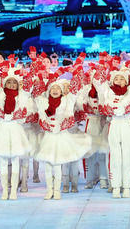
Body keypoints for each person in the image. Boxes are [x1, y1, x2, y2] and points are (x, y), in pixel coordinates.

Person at [92, 52, 130, 199]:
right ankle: (115, 186)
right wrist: (103, 64)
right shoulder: (107, 92)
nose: (119, 80)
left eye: (122, 78)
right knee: (114, 156)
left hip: (127, 124)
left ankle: (126, 186)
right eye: (116, 78)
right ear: (112, 80)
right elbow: (98, 81)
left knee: (128, 155)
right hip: (114, 124)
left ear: (126, 81)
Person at [33, 71, 92, 200]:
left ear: (62, 91)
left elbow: (74, 92)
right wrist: (41, 76)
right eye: (52, 88)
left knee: (58, 164)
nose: (55, 90)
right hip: (48, 136)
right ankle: (49, 190)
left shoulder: (66, 101)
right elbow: (36, 93)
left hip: (61, 136)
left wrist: (76, 73)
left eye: (57, 88)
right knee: (48, 165)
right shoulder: (43, 102)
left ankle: (57, 190)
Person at [0, 65, 32, 200]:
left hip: (16, 129)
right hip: (2, 130)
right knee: (4, 161)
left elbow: (28, 86)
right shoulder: (0, 95)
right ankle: (5, 189)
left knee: (16, 161)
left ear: (18, 84)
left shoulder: (22, 96)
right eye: (9, 82)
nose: (11, 84)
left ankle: (14, 190)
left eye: (14, 82)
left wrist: (26, 73)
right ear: (4, 84)